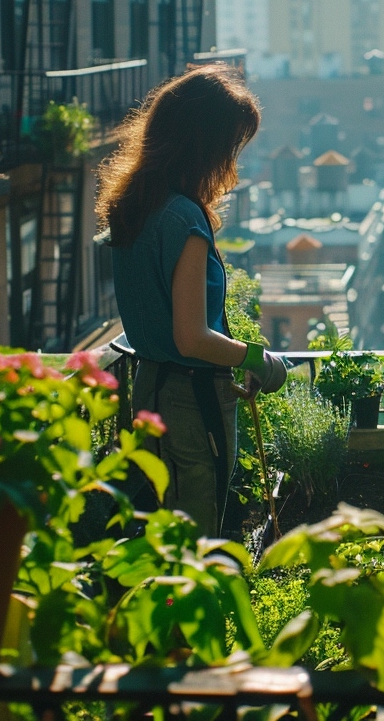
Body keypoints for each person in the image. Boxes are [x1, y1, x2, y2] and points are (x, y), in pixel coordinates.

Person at [96, 64, 287, 536]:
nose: (232, 161)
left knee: (157, 530)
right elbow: (192, 337)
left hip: (150, 390)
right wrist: (259, 360)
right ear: (205, 145)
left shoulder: (135, 207)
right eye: (231, 146)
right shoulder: (185, 219)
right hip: (191, 403)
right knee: (194, 538)